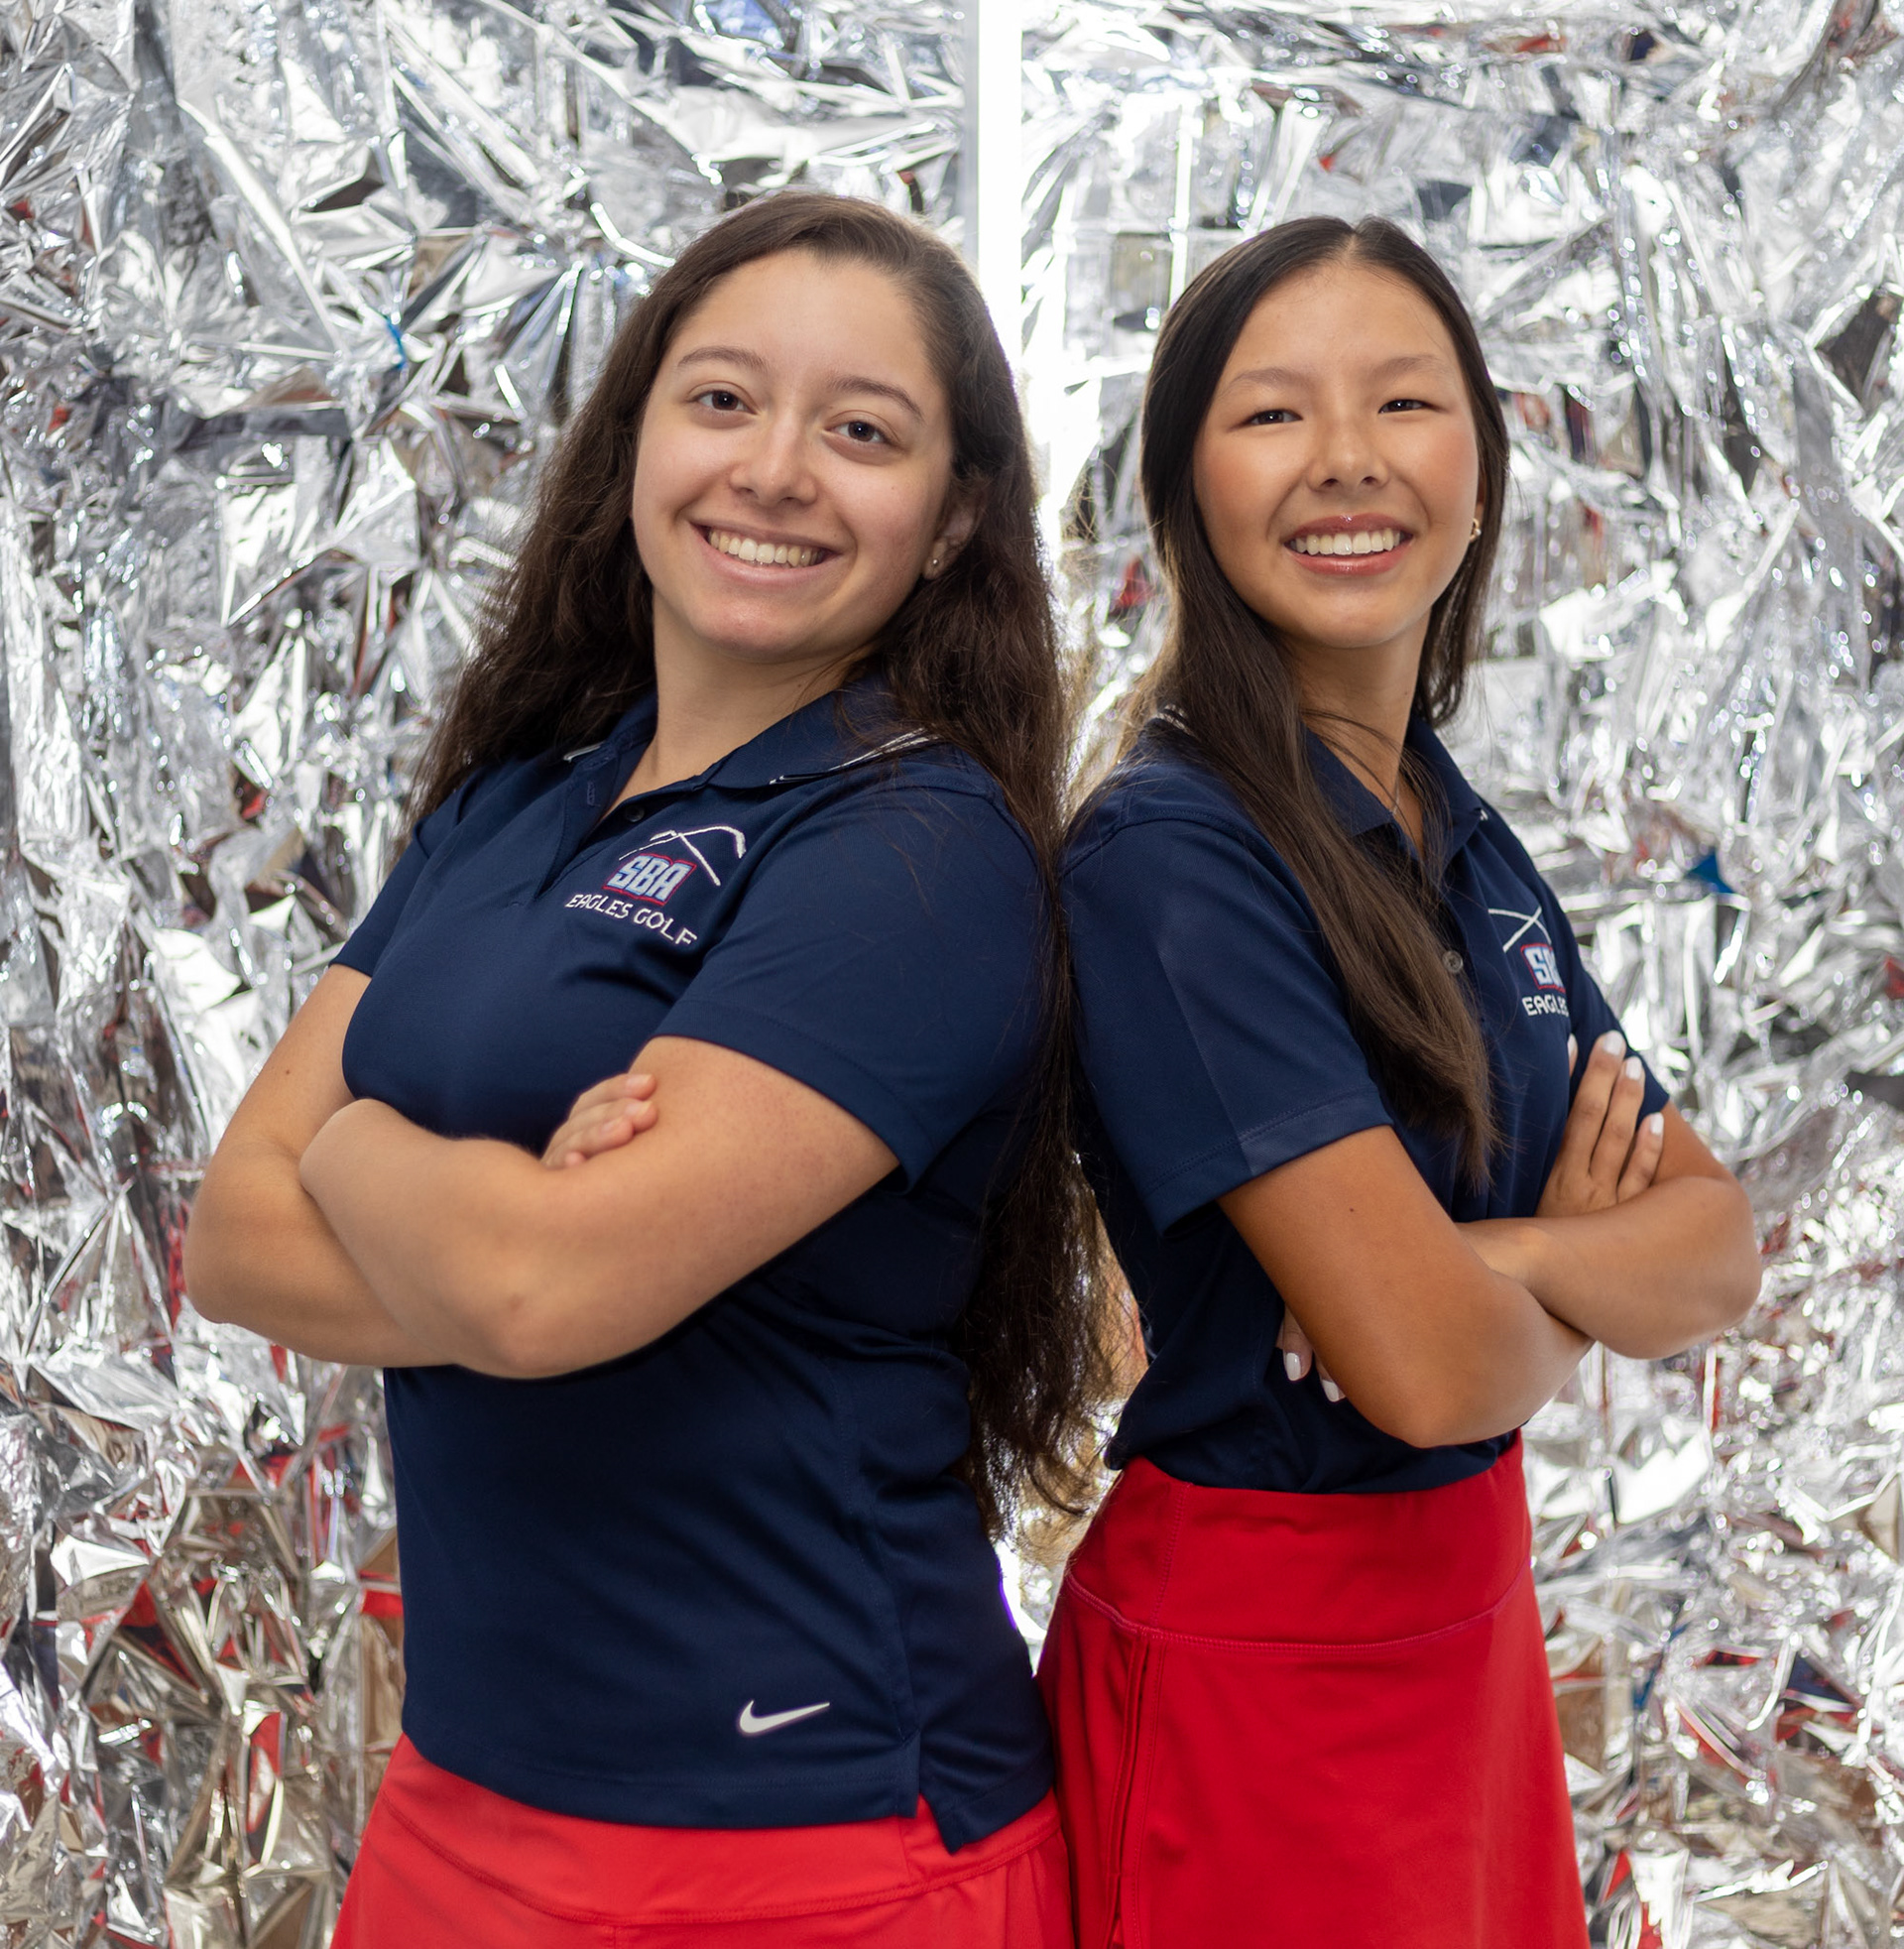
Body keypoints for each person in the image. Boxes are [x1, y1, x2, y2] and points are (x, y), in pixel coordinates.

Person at [183, 190, 1106, 1949]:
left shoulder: (920, 852)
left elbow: (537, 1289)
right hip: (462, 1809)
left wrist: (368, 1147)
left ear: (952, 516)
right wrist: (507, 1221)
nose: (774, 470)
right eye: (722, 400)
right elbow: (233, 1234)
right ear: (633, 447)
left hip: (803, 1846)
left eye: (862, 431)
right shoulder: (514, 801)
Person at [1038, 215, 1760, 1949]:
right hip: (1257, 1662)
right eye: (1274, 414)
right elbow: (1429, 1373)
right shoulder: (1172, 857)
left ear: (1483, 472)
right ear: (1184, 489)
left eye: (1405, 403)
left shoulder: (1452, 821)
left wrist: (1487, 1264)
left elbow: (1717, 1242)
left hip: (1465, 1630)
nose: (1347, 460)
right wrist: (1503, 1292)